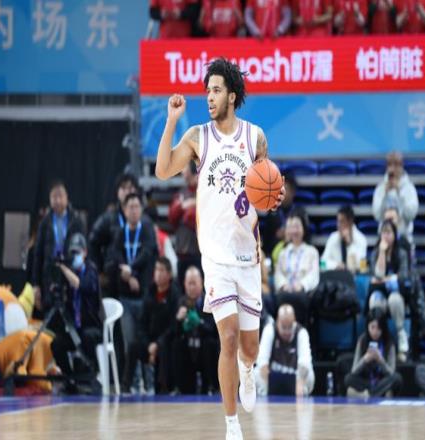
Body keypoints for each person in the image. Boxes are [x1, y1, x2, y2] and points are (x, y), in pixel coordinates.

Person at [155, 57, 286, 440]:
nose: (209, 97)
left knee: (249, 347)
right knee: (226, 337)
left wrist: (273, 197)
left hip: (247, 256)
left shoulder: (255, 138)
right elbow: (163, 170)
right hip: (214, 257)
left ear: (231, 94)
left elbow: (266, 188)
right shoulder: (199, 137)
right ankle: (231, 425)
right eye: (207, 91)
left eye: (215, 90)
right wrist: (171, 121)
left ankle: (248, 370)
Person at [104, 193, 158, 356]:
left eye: (136, 207)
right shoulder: (120, 233)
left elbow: (146, 254)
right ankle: (132, 373)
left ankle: (146, 373)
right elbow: (115, 256)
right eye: (130, 207)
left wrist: (130, 269)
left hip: (144, 295)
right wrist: (126, 273)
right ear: (124, 210)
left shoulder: (147, 231)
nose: (134, 210)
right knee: (129, 341)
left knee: (145, 340)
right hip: (125, 297)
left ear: (141, 209)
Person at [50, 233, 103, 388]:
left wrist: (63, 268)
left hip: (92, 326)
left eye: (77, 253)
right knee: (57, 343)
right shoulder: (69, 273)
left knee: (87, 337)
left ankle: (93, 374)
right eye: (72, 253)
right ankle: (69, 378)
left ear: (85, 252)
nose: (74, 257)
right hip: (74, 328)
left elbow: (81, 285)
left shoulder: (91, 271)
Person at [122, 257, 180, 394]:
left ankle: (163, 389)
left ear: (169, 274)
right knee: (133, 346)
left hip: (165, 341)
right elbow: (142, 323)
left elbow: (173, 326)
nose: (158, 273)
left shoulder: (174, 294)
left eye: (161, 270)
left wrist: (158, 344)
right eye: (156, 269)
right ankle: (125, 387)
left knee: (167, 346)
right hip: (149, 342)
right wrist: (148, 344)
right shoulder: (149, 292)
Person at [33, 181, 85, 314]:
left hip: (70, 273)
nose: (57, 200)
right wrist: (36, 285)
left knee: (69, 317)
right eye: (54, 197)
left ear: (67, 198)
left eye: (60, 196)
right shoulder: (45, 222)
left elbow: (83, 251)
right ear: (50, 199)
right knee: (50, 317)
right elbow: (38, 254)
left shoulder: (76, 220)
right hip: (49, 276)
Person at [172, 266, 219, 394]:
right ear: (184, 284)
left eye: (194, 283)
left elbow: (213, 330)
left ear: (201, 283)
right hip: (188, 348)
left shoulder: (209, 302)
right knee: (176, 345)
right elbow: (174, 332)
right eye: (189, 283)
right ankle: (180, 388)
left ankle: (211, 386)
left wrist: (199, 323)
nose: (191, 287)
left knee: (210, 344)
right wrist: (178, 320)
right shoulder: (180, 302)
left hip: (204, 348)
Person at [367, 219, 410, 361]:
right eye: (383, 232)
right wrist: (382, 252)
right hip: (380, 293)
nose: (386, 236)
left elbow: (402, 277)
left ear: (394, 234)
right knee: (375, 300)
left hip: (397, 293)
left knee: (394, 300)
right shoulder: (375, 253)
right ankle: (378, 341)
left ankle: (401, 335)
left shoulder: (402, 253)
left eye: (389, 232)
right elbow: (377, 275)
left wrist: (384, 280)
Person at [88, 173, 141, 285]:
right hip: (113, 278)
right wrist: (99, 271)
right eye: (123, 188)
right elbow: (93, 243)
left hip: (138, 277)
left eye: (130, 188)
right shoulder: (108, 218)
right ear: (117, 192)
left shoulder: (143, 219)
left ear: (136, 191)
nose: (127, 191)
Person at [255, 304, 314, 397]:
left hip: (295, 379)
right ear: (278, 322)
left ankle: (301, 391)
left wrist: (300, 383)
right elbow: (262, 362)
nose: (287, 332)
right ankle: (264, 393)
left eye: (290, 327)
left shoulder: (301, 332)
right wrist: (270, 386)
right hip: (271, 379)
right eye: (283, 327)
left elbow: (305, 362)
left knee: (310, 374)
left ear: (294, 321)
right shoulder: (270, 330)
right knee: (256, 373)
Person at [273, 208, 319, 326]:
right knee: (281, 297)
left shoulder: (312, 252)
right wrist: (283, 285)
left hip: (303, 293)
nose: (294, 231)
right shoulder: (283, 253)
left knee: (300, 298)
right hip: (285, 292)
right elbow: (278, 274)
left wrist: (302, 285)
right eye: (291, 227)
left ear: (304, 228)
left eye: (297, 226)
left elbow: (313, 276)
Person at [345, 307, 402, 397]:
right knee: (348, 379)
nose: (375, 332)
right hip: (366, 381)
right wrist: (365, 359)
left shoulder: (389, 343)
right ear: (367, 326)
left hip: (382, 381)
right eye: (372, 327)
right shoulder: (362, 340)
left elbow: (392, 372)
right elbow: (354, 371)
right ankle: (378, 394)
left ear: (383, 328)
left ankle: (368, 395)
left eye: (379, 328)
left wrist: (380, 360)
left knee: (397, 378)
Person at [373, 151, 419, 243]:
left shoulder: (409, 188)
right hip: (384, 239)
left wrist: (399, 193)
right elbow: (377, 215)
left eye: (396, 165)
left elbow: (411, 215)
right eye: (390, 164)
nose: (392, 169)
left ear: (401, 166)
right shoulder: (380, 188)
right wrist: (384, 195)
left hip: (404, 239)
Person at [168, 162, 202, 284]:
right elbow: (172, 218)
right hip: (183, 253)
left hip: (201, 253)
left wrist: (192, 206)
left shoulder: (205, 192)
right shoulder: (181, 194)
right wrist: (183, 206)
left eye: (185, 167)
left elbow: (192, 219)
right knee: (182, 287)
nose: (182, 171)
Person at [321, 205, 367, 273]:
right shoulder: (333, 237)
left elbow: (362, 267)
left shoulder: (361, 239)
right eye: (338, 221)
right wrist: (335, 265)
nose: (338, 225)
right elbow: (322, 264)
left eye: (342, 221)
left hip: (354, 277)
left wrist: (349, 245)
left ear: (350, 222)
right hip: (335, 276)